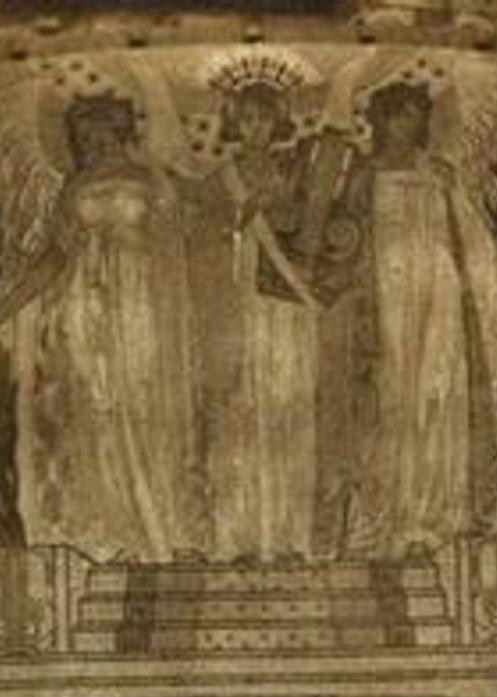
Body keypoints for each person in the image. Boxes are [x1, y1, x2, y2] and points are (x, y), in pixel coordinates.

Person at [5, 88, 203, 565]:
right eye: (81, 135)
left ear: (120, 132)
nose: (89, 142)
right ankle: (117, 532)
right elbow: (53, 254)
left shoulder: (150, 180)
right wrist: (7, 304)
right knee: (97, 411)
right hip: (84, 306)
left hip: (141, 304)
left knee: (147, 404)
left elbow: (181, 240)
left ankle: (168, 527)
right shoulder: (73, 188)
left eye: (98, 132)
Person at [315, 75, 497, 562]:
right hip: (387, 298)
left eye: (415, 115)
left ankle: (436, 514)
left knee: (438, 392)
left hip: (438, 293)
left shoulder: (440, 173)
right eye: (398, 113)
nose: (408, 123)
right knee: (393, 398)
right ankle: (392, 516)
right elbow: (339, 239)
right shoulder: (364, 174)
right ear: (382, 119)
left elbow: (474, 240)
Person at [198, 62, 332, 563]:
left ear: (278, 121)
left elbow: (318, 231)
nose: (255, 127)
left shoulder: (298, 170)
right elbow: (199, 240)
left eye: (263, 117)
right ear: (234, 121)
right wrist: (237, 221)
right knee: (243, 414)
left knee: (289, 408)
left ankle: (290, 537)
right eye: (246, 118)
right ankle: (242, 538)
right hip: (241, 304)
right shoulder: (221, 178)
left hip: (289, 302)